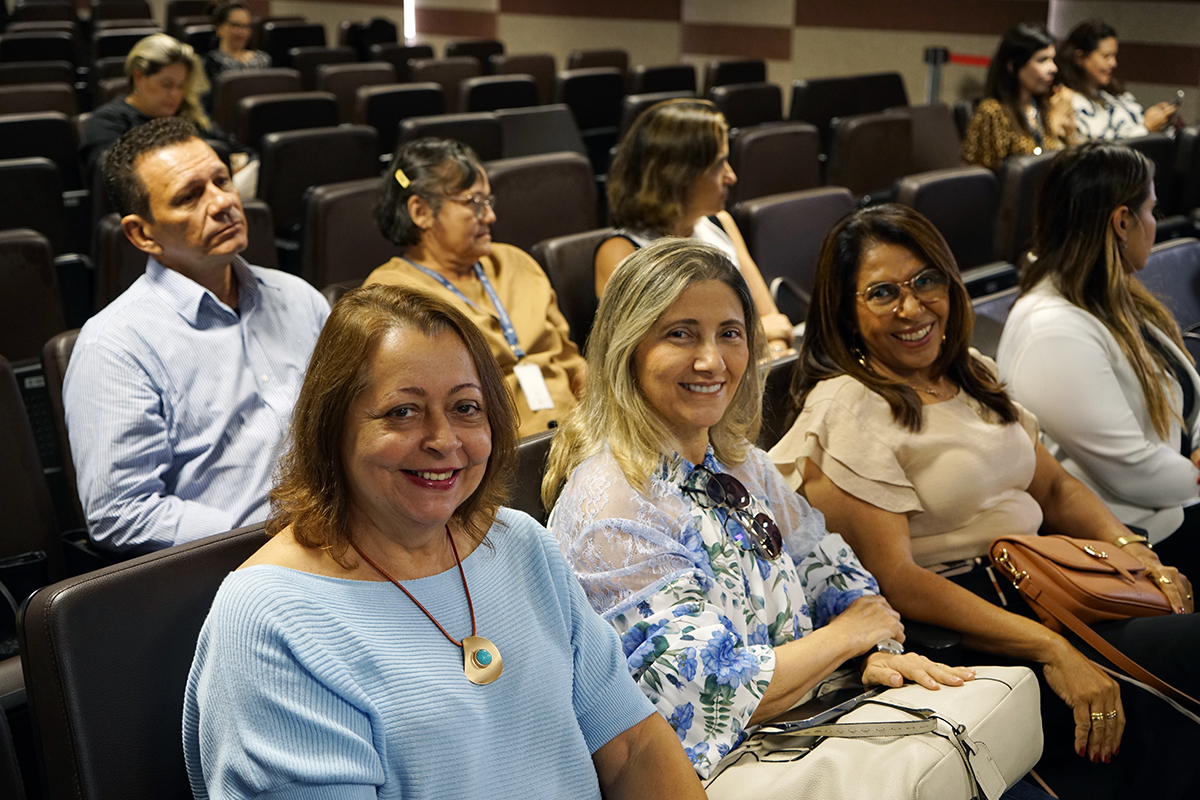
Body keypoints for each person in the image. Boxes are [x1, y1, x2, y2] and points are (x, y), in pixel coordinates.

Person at [183, 284, 707, 800]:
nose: (443, 440)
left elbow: (633, 747)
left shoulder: (520, 544)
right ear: (332, 427)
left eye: (466, 407)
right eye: (402, 412)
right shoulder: (269, 621)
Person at [770, 203, 1200, 799]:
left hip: (1051, 582)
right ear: (844, 312)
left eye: (926, 281)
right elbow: (895, 580)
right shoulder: (847, 407)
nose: (912, 307)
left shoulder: (968, 371)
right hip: (973, 622)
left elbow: (1054, 487)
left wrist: (1131, 552)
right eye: (882, 292)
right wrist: (1049, 648)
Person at [543, 239, 975, 782]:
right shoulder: (610, 505)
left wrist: (876, 649)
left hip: (813, 722)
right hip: (719, 772)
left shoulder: (740, 462)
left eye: (730, 333)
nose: (712, 360)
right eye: (680, 334)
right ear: (627, 348)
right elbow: (712, 694)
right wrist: (846, 638)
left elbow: (832, 571)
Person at [62, 117, 328, 554]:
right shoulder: (115, 345)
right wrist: (269, 537)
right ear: (141, 233)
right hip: (231, 571)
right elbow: (121, 512)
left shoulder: (298, 297)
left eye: (221, 180)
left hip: (350, 540)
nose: (222, 202)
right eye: (190, 196)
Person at [997, 143, 1200, 574]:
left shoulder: (1119, 296)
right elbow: (1131, 471)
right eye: (1151, 212)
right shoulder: (1051, 329)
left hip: (1178, 503)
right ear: (1122, 222)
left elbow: (1191, 391)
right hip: (1136, 539)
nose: (1155, 225)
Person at [364, 137, 586, 439]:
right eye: (474, 203)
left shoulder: (515, 262)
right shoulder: (391, 294)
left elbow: (571, 363)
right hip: (488, 455)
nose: (490, 216)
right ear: (421, 212)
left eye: (488, 202)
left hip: (576, 435)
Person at [596, 98, 795, 355]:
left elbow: (772, 319)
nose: (731, 176)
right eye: (717, 165)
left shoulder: (721, 222)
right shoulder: (620, 252)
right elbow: (646, 355)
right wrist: (757, 335)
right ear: (678, 175)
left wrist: (774, 347)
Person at [80, 34, 255, 193]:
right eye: (166, 84)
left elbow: (244, 153)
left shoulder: (190, 114)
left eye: (180, 86)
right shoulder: (107, 121)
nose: (175, 95)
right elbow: (111, 180)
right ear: (139, 77)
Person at [962, 23, 1075, 172]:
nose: (1053, 68)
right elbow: (982, 179)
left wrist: (1069, 132)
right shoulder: (992, 111)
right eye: (1042, 60)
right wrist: (1054, 126)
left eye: (1052, 59)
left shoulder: (1043, 105)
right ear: (1013, 66)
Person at [1055, 20, 1176, 141]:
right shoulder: (1068, 101)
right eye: (1106, 56)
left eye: (1114, 55)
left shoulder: (1114, 93)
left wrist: (1158, 120)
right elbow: (1099, 150)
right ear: (1080, 58)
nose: (1113, 63)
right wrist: (1146, 128)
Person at [203, 1, 271, 92]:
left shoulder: (263, 59)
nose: (242, 32)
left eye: (246, 26)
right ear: (219, 28)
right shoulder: (209, 63)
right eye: (235, 25)